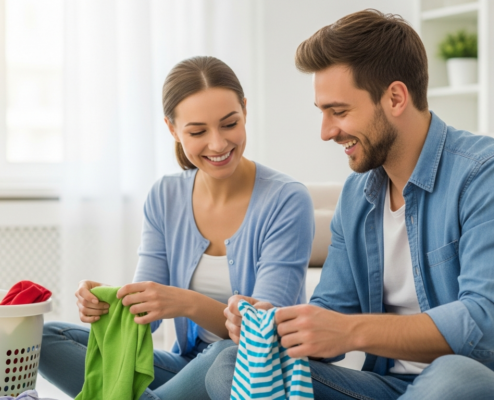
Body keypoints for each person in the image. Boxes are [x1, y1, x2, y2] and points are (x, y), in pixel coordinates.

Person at [206, 9, 494, 400]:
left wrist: (351, 331)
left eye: (339, 112)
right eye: (323, 113)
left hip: (479, 385)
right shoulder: (357, 195)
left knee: (452, 376)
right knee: (229, 362)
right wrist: (280, 325)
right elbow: (332, 314)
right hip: (388, 388)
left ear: (395, 97)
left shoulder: (490, 176)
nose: (326, 132)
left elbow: (487, 325)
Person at [39, 56, 315, 399]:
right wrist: (109, 301)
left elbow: (263, 331)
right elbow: (149, 317)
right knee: (47, 338)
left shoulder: (287, 199)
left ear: (245, 110)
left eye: (229, 124)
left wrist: (186, 303)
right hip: (185, 365)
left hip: (246, 368)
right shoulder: (165, 196)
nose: (217, 144)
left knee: (224, 356)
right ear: (172, 129)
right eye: (198, 131)